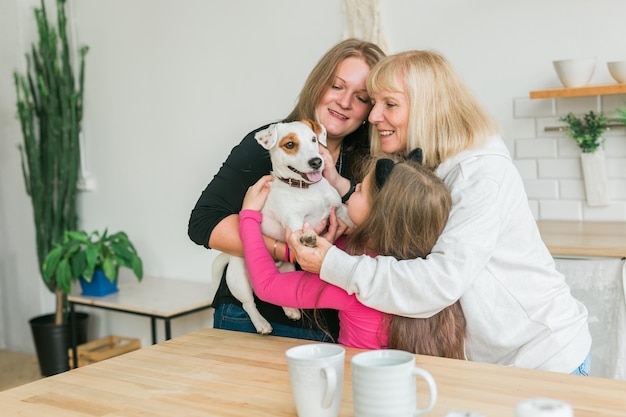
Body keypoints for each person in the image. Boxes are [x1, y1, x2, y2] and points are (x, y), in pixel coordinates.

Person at [287, 50, 592, 374]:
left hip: (543, 358)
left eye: (389, 104)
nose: (374, 116)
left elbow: (439, 282)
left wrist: (334, 265)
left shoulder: (481, 172)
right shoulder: (426, 162)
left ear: (427, 109)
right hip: (492, 363)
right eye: (374, 103)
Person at [188, 38, 386, 341]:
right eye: (336, 86)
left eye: (360, 97)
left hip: (333, 324)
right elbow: (204, 224)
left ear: (370, 110)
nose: (345, 102)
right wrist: (287, 252)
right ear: (318, 85)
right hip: (254, 318)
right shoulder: (269, 145)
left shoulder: (370, 163)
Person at [239, 153, 466, 357]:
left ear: (377, 216)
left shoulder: (350, 280)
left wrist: (248, 217)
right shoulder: (428, 275)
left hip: (356, 385)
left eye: (359, 190)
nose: (353, 188)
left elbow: (267, 285)